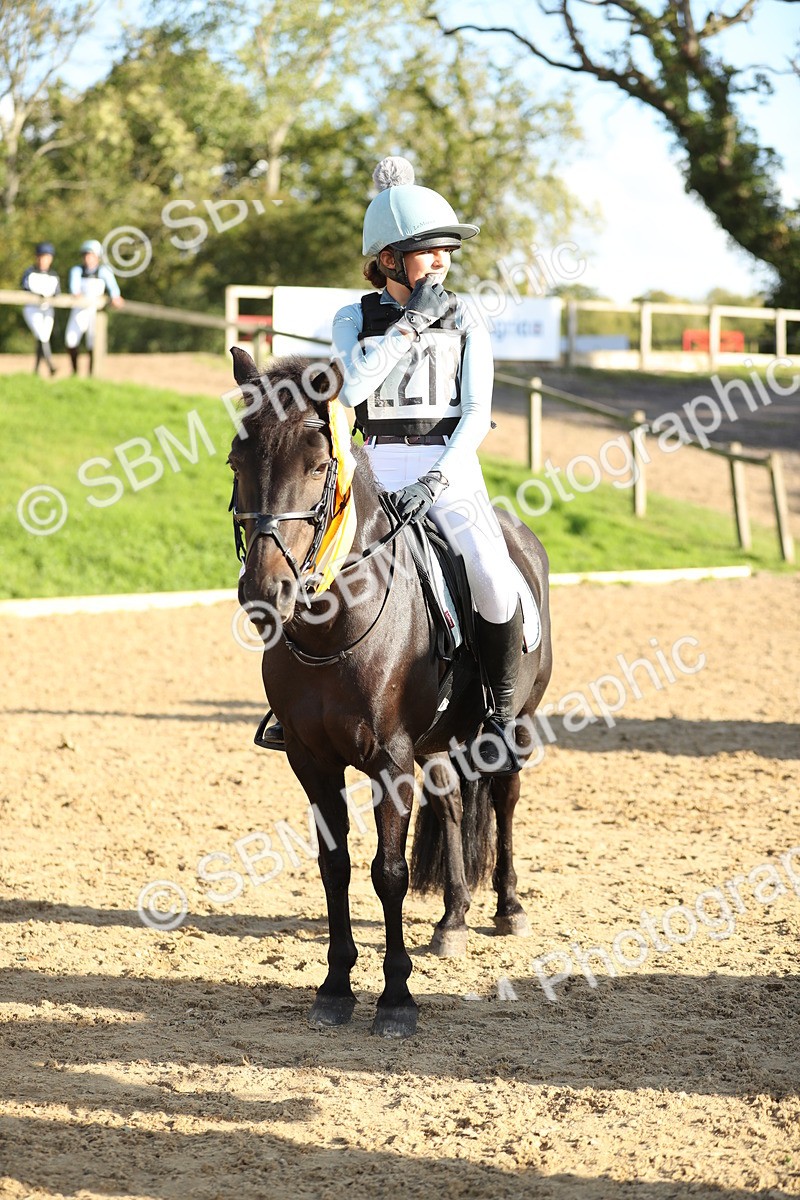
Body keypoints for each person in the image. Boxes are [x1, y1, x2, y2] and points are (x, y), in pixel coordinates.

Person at [259, 157, 526, 773]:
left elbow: (475, 413)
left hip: (448, 467)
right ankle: (290, 706)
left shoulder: (468, 319)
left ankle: (500, 713)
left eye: (445, 252)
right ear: (388, 260)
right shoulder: (355, 318)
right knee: (307, 566)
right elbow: (350, 392)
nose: (441, 263)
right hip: (370, 468)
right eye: (428, 251)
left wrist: (437, 479)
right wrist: (407, 328)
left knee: (490, 570)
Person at [65, 239, 124, 375]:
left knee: (93, 342)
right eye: (85, 255)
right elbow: (74, 289)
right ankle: (75, 372)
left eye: (91, 255)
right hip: (79, 310)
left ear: (97, 256)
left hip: (95, 312)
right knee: (71, 340)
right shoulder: (77, 270)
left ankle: (92, 373)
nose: (88, 258)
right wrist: (77, 294)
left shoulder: (104, 271)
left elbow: (113, 289)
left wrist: (116, 297)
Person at [21, 242, 61, 376]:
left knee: (43, 337)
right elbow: (26, 288)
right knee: (42, 335)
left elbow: (57, 293)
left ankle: (36, 370)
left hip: (47, 309)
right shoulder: (29, 273)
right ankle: (50, 364)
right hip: (32, 309)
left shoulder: (53, 275)